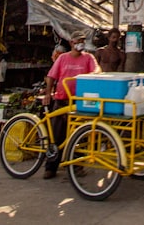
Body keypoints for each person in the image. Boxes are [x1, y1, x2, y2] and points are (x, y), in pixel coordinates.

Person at [41, 29, 98, 179]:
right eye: (78, 41)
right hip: (61, 100)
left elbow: (97, 71)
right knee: (57, 136)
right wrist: (48, 93)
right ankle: (51, 167)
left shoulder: (88, 58)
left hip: (79, 103)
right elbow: (51, 76)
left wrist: (94, 75)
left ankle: (77, 166)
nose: (81, 44)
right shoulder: (62, 58)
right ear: (71, 43)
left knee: (78, 135)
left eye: (82, 41)